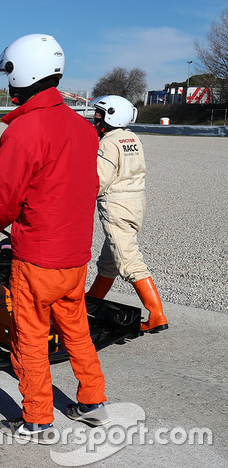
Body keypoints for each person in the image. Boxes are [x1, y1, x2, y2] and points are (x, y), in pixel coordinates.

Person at [0, 34, 108, 444]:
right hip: (75, 255)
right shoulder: (84, 128)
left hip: (38, 258)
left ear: (23, 74)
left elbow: (4, 199)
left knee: (29, 337)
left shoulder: (24, 130)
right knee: (77, 329)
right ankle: (93, 401)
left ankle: (37, 419)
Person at [87, 95, 168, 333]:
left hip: (116, 207)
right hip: (137, 204)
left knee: (129, 261)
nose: (96, 119)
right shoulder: (133, 138)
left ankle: (157, 315)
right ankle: (91, 301)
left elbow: (99, 180)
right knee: (110, 261)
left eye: (99, 115)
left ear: (111, 115)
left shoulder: (108, 142)